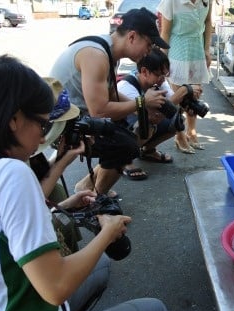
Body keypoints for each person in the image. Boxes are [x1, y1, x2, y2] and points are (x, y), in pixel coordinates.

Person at [0, 55, 169, 311]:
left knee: (100, 265)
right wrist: (108, 232)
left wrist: (62, 205)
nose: (42, 137)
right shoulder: (12, 173)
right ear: (14, 119)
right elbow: (55, 288)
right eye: (41, 123)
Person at [50, 7, 170, 198]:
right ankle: (95, 200)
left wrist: (143, 109)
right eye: (148, 45)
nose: (149, 52)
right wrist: (141, 102)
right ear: (132, 37)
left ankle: (89, 187)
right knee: (126, 146)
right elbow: (99, 111)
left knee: (131, 130)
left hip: (79, 117)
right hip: (61, 128)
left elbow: (112, 95)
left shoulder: (108, 52)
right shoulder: (95, 55)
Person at [118, 47, 203, 179]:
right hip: (118, 133)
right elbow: (150, 116)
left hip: (138, 127)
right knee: (145, 123)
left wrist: (187, 103)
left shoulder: (158, 81)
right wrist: (183, 90)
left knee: (177, 120)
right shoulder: (126, 86)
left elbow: (171, 104)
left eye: (165, 75)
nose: (163, 79)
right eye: (159, 75)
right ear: (144, 71)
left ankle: (148, 151)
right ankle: (123, 160)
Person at [158, 0, 213, 152]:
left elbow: (208, 22)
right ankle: (179, 135)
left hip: (197, 49)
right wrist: (163, 62)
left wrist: (207, 49)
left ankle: (192, 131)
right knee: (179, 98)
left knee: (194, 97)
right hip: (177, 50)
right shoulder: (171, 1)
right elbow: (165, 33)